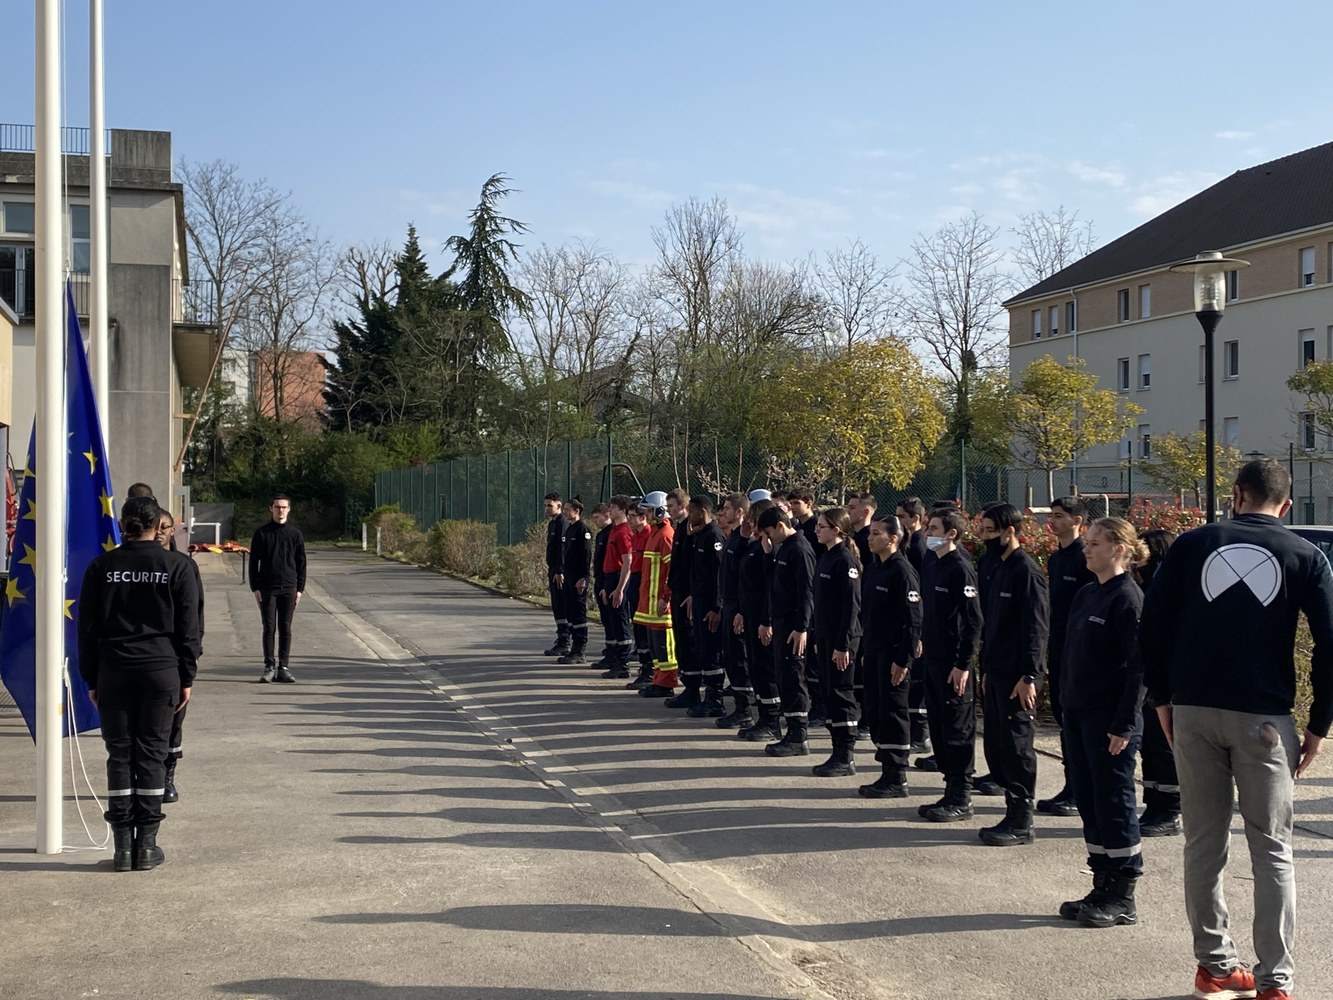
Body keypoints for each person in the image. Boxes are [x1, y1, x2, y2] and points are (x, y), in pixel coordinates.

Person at [1140, 459, 1333, 1000]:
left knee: (1203, 842)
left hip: (1194, 709)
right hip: (1264, 718)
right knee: (1272, 849)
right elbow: (1329, 644)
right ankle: (1275, 980)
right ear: (1286, 505)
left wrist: (1162, 698)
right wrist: (1319, 723)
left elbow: (1152, 625)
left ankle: (1215, 966)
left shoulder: (1191, 545)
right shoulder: (1305, 555)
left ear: (1236, 494)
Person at [77, 496, 201, 871]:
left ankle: (122, 848)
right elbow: (189, 630)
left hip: (114, 669)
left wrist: (91, 678)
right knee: (151, 754)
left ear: (123, 524)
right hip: (161, 670)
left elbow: (87, 630)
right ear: (157, 526)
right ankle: (146, 845)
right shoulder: (178, 566)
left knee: (119, 754)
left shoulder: (101, 567)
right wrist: (187, 677)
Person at [1058, 517, 1147, 929]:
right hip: (1078, 714)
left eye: (1095, 543)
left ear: (1119, 549)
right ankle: (1101, 882)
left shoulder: (1128, 599)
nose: (1087, 549)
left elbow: (1139, 670)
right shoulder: (1088, 593)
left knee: (1114, 802)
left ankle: (1123, 893)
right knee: (1090, 801)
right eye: (1087, 543)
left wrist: (1124, 724)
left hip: (1109, 722)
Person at [975, 502, 1050, 847]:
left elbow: (1036, 628)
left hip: (1018, 676)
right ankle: (1011, 810)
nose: (984, 537)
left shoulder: (1026, 571)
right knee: (998, 743)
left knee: (1017, 746)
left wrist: (1030, 675)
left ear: (1010, 531)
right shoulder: (996, 567)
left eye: (990, 531)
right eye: (982, 530)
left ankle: (1022, 820)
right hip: (997, 670)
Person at [917, 507, 984, 823]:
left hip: (954, 664)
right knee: (940, 727)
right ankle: (949, 789)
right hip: (933, 658)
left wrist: (963, 663)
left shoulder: (960, 567)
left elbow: (973, 622)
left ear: (951, 534)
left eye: (933, 528)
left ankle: (962, 797)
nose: (927, 533)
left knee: (958, 729)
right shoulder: (933, 563)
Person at [1037, 496, 1096, 818]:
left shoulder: (1084, 558)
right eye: (1052, 515)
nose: (1053, 521)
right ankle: (1071, 786)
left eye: (1059, 516)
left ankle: (1081, 790)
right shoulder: (1057, 558)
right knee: (1065, 721)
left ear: (1077, 521)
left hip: (1079, 651)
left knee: (1077, 722)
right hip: (1058, 648)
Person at [858, 515, 922, 798]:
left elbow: (913, 620)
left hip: (893, 654)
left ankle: (897, 776)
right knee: (875, 711)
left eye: (876, 534)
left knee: (893, 712)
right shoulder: (874, 569)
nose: (870, 538)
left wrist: (903, 659)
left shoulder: (902, 571)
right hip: (874, 651)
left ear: (893, 539)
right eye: (870, 533)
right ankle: (886, 767)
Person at [757, 505, 817, 757]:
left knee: (794, 677)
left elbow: (806, 591)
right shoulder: (783, 548)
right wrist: (768, 554)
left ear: (780, 526)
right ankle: (791, 731)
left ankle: (798, 735)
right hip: (782, 622)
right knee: (784, 676)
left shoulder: (800, 549)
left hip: (794, 626)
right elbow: (774, 584)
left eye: (769, 532)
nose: (768, 537)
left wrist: (802, 627)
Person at [154, 509, 204, 804]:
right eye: (156, 526)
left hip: (176, 656)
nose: (160, 531)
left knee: (174, 720)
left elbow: (196, 612)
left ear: (173, 530)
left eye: (166, 527)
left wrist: (194, 651)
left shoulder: (185, 566)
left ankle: (167, 775)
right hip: (149, 658)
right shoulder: (138, 565)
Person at [1135, 528, 1182, 837]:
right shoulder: (1146, 586)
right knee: (1151, 747)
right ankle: (1153, 803)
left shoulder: (1168, 590)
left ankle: (1170, 810)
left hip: (1167, 682)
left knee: (1164, 747)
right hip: (1149, 678)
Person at [810, 507, 863, 777]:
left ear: (837, 530)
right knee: (830, 692)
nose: (817, 530)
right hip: (826, 636)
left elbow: (851, 606)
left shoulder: (845, 560)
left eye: (822, 526)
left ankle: (845, 755)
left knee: (842, 694)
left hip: (842, 639)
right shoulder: (826, 556)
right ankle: (836, 750)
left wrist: (843, 644)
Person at [737, 499, 783, 742]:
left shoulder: (771, 549)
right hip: (751, 615)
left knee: (766, 670)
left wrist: (767, 620)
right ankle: (763, 717)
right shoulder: (755, 545)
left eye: (753, 521)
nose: (750, 525)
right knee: (756, 669)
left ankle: (772, 720)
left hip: (763, 618)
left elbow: (769, 587)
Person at [249, 494, 306, 684]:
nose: (280, 510)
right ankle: (269, 666)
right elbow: (253, 562)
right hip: (267, 588)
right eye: (277, 507)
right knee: (269, 627)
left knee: (285, 627)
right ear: (271, 509)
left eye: (283, 507)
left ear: (289, 509)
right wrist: (255, 587)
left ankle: (284, 667)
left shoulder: (295, 534)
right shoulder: (261, 533)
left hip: (289, 587)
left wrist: (300, 589)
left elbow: (301, 564)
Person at [680, 495, 727, 716]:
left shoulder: (714, 536)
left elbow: (719, 575)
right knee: (702, 649)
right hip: (699, 601)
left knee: (712, 651)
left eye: (692, 511)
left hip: (710, 605)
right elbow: (695, 570)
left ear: (703, 512)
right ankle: (706, 695)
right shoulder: (699, 535)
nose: (689, 515)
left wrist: (717, 607)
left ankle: (715, 700)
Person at [894, 496, 932, 759]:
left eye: (902, 517)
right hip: (907, 624)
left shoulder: (919, 547)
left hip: (918, 625)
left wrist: (918, 632)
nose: (899, 522)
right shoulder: (909, 543)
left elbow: (920, 591)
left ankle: (921, 734)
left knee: (917, 681)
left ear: (916, 519)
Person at [716, 493, 755, 730]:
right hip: (728, 605)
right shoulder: (734, 537)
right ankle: (740, 708)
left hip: (739, 609)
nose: (724, 512)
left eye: (728, 508)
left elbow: (746, 580)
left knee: (740, 660)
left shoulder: (747, 541)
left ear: (740, 512)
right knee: (731, 658)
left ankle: (745, 711)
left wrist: (741, 609)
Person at [634, 492, 677, 698]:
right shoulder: (655, 533)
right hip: (649, 604)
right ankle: (658, 680)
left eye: (650, 511)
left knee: (664, 646)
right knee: (654, 646)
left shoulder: (666, 534)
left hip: (659, 603)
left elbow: (671, 571)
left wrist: (665, 598)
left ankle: (667, 683)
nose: (647, 515)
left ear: (660, 511)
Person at [664, 489, 697, 708]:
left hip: (687, 594)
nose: (669, 510)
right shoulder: (680, 529)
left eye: (671, 506)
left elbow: (693, 566)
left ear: (683, 506)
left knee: (688, 641)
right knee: (681, 642)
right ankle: (688, 687)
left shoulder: (690, 530)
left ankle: (693, 689)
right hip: (677, 591)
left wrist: (692, 593)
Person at [599, 496, 635, 679]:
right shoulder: (614, 530)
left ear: (622, 510)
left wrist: (620, 588)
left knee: (621, 621)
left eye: (613, 508)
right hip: (610, 577)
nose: (610, 511)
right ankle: (615, 659)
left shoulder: (624, 531)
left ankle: (623, 664)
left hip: (618, 577)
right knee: (613, 621)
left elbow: (627, 561)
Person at [555, 498, 592, 665]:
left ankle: (580, 650)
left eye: (568, 509)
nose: (565, 512)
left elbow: (586, 555)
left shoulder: (582, 529)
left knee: (578, 613)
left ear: (577, 511)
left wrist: (584, 577)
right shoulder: (570, 529)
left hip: (578, 578)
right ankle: (573, 649)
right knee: (570, 613)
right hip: (569, 577)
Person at [618, 504, 652, 684]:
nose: (629, 519)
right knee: (637, 625)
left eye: (632, 516)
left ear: (643, 517)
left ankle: (649, 669)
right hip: (635, 580)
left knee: (645, 629)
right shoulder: (635, 535)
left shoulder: (649, 534)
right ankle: (644, 666)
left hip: (644, 582)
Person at [542, 492, 568, 657]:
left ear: (559, 505)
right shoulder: (552, 524)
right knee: (557, 606)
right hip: (552, 570)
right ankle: (561, 638)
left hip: (559, 572)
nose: (547, 509)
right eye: (545, 505)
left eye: (550, 505)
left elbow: (563, 549)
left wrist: (560, 571)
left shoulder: (562, 523)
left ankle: (565, 642)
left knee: (561, 606)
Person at [588, 503, 613, 669]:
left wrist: (605, 584)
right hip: (600, 578)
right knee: (606, 618)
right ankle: (610, 649)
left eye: (597, 517)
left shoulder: (612, 533)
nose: (595, 521)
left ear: (607, 515)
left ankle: (614, 653)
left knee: (612, 620)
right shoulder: (601, 534)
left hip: (607, 579)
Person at [847, 492, 876, 565]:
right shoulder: (853, 537)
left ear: (866, 512)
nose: (848, 512)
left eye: (852, 508)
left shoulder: (870, 540)